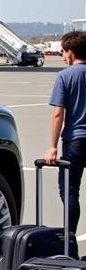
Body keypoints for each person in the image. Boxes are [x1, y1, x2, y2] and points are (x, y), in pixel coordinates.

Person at [43, 30, 86, 235]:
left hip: (76, 140)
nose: (62, 55)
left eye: (63, 51)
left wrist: (52, 147)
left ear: (70, 52)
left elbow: (58, 114)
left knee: (70, 192)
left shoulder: (65, 76)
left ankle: (70, 240)